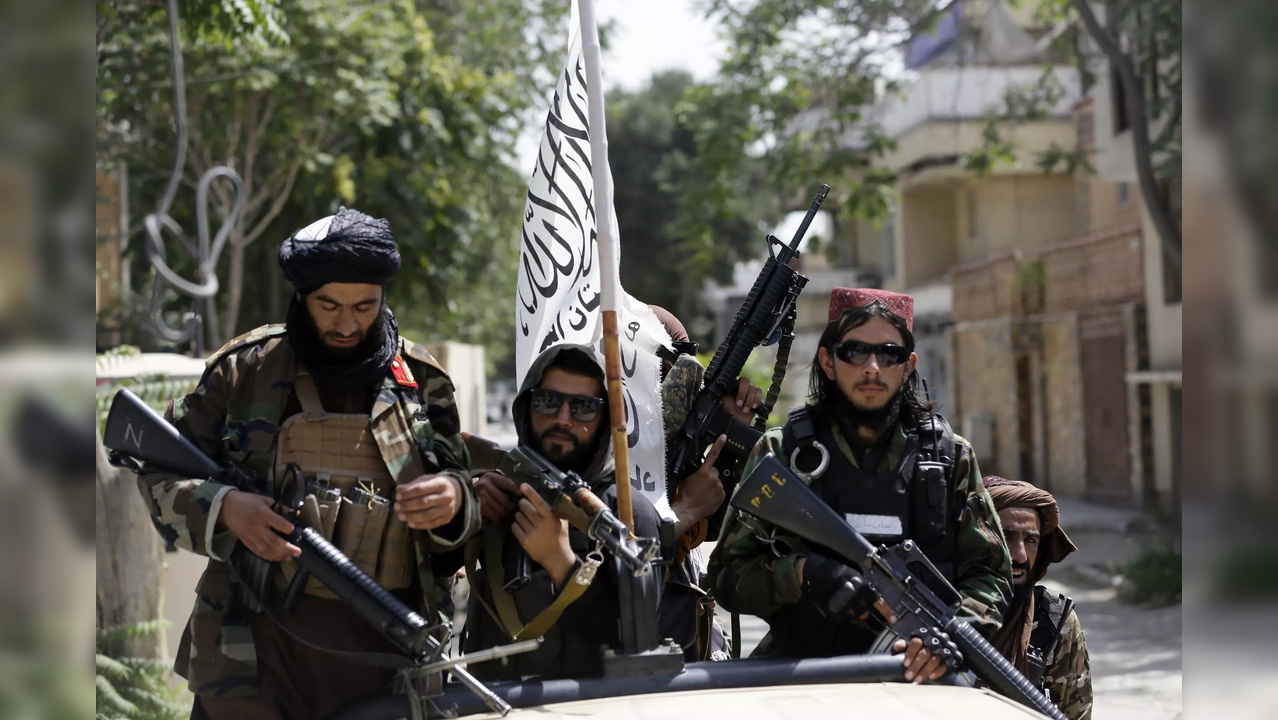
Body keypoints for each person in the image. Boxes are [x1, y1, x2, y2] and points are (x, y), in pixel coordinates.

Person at [136, 207, 480, 719]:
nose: (347, 323)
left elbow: (465, 504)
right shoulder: (243, 371)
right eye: (329, 305)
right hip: (253, 657)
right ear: (302, 296)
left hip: (388, 658)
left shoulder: (421, 382)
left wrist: (453, 501)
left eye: (365, 306)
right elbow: (158, 474)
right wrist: (225, 508)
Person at [710, 287, 1012, 683]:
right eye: (855, 352)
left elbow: (991, 575)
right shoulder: (784, 454)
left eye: (890, 354)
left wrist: (945, 640)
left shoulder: (949, 459)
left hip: (917, 679)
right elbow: (726, 576)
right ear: (828, 361)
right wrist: (805, 573)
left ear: (908, 366)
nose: (873, 367)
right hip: (804, 679)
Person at [463, 343, 670, 680]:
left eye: (584, 408)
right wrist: (465, 502)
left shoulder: (629, 516)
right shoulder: (495, 490)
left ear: (606, 422)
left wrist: (564, 565)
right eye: (548, 401)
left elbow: (635, 648)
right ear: (527, 406)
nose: (562, 418)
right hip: (491, 701)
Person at [984, 476, 1093, 719]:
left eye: (1030, 540)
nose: (1020, 555)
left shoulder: (1055, 621)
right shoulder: (938, 612)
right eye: (1006, 537)